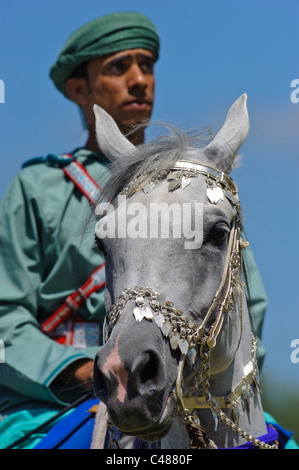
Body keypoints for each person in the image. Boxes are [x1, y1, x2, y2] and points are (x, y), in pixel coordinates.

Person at [0, 11, 270, 449]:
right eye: (117, 67)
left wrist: (204, 370)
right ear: (78, 89)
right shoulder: (38, 187)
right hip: (55, 398)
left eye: (146, 66)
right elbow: (4, 317)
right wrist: (84, 371)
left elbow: (243, 298)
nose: (139, 79)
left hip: (185, 382)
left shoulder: (194, 188)